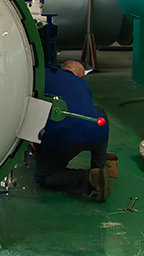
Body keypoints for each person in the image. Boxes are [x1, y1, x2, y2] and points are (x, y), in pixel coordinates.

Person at [34, 60, 110, 202]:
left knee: (43, 177)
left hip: (63, 138)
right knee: (99, 114)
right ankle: (98, 168)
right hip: (95, 132)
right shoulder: (84, 84)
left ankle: (88, 178)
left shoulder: (44, 75)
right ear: (81, 76)